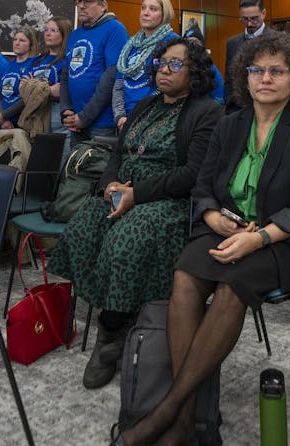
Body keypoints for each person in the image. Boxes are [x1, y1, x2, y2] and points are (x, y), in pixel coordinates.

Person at [118, 33, 290, 445]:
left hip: (286, 241)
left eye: (277, 71)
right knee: (185, 275)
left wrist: (260, 238)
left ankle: (172, 412)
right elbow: (203, 186)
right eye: (257, 70)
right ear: (245, 78)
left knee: (231, 287)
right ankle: (191, 420)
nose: (265, 79)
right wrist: (211, 214)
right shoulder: (228, 125)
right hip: (227, 226)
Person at [51, 37, 222, 390]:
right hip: (124, 193)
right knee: (84, 225)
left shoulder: (206, 112)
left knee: (126, 240)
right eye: (162, 62)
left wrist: (136, 194)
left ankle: (110, 333)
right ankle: (120, 313)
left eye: (176, 64)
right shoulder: (145, 105)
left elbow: (193, 174)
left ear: (196, 73)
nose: (165, 69)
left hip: (170, 201)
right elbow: (117, 153)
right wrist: (110, 184)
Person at [60, 0, 129, 146]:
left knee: (96, 171)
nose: (81, 6)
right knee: (74, 169)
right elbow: (66, 74)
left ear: (103, 5)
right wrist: (66, 110)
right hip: (75, 122)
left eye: (88, 1)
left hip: (102, 124)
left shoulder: (115, 29)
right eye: (79, 1)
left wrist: (84, 117)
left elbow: (112, 76)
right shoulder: (75, 35)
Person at [113, 0, 177, 130]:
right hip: (125, 122)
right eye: (143, 8)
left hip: (155, 120)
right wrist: (120, 116)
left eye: (153, 9)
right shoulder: (130, 44)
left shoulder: (173, 42)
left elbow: (168, 86)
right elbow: (119, 85)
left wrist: (140, 116)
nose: (145, 13)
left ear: (164, 14)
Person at [224, 0, 276, 111]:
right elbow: (229, 80)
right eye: (245, 19)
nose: (249, 24)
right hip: (238, 109)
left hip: (269, 106)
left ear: (264, 14)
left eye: (254, 18)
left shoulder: (277, 40)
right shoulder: (232, 43)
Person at [0, 26, 42, 130]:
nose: (16, 43)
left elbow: (27, 98)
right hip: (3, 122)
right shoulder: (7, 65)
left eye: (22, 40)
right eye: (15, 39)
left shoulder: (34, 64)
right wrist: (1, 118)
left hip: (22, 123)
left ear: (30, 44)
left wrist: (4, 115)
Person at [32, 17, 72, 140]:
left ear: (64, 34)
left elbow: (60, 91)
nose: (48, 34)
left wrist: (35, 88)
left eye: (54, 30)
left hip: (57, 115)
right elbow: (23, 88)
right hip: (36, 113)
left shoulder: (67, 59)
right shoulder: (37, 60)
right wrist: (47, 90)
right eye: (46, 30)